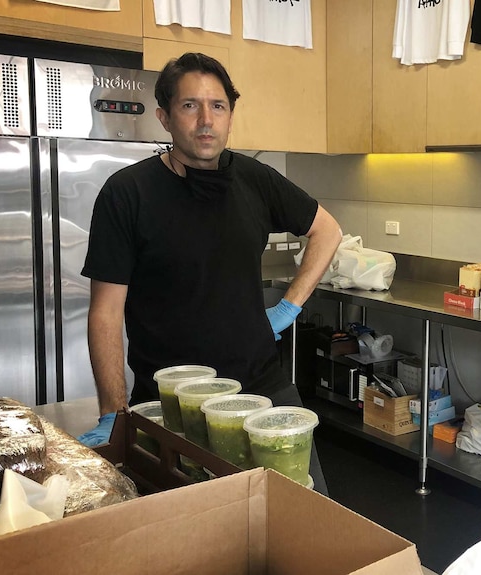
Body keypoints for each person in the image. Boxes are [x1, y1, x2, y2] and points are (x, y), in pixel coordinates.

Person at [76, 52, 341, 495]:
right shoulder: (127, 194)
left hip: (260, 393)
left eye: (218, 106)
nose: (205, 120)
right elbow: (105, 312)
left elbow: (327, 231)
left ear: (231, 116)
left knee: (307, 520)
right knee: (189, 543)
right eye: (189, 106)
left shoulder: (254, 179)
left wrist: (288, 306)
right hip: (172, 409)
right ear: (164, 117)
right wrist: (115, 414)